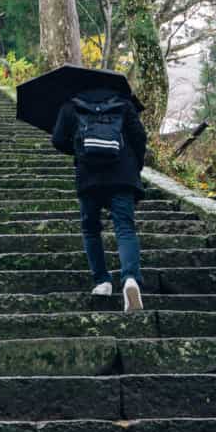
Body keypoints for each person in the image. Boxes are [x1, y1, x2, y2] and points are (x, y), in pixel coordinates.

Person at [51, 87, 147, 312]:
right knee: (125, 228)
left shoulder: (70, 105)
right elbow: (140, 137)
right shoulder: (124, 103)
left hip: (88, 176)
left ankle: (102, 281)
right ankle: (131, 278)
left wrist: (79, 148)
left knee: (91, 230)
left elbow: (57, 140)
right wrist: (135, 165)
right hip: (122, 174)